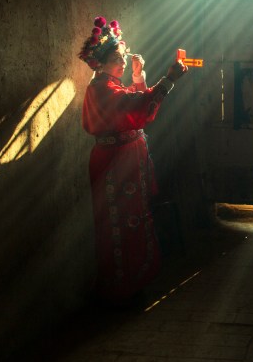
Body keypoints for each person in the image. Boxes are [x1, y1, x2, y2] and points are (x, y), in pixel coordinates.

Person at [78, 16, 188, 304]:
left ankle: (132, 282)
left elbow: (134, 103)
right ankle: (119, 288)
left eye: (124, 57)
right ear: (100, 63)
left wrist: (139, 76)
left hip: (124, 161)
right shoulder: (102, 89)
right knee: (118, 225)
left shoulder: (111, 85)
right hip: (114, 165)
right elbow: (137, 109)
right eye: (117, 58)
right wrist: (169, 79)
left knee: (133, 221)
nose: (123, 62)